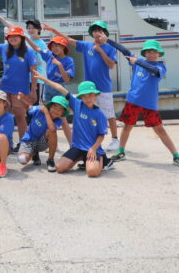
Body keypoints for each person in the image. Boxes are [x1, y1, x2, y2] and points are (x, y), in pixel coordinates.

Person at [108, 39, 179, 168]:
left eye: (154, 52)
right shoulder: (137, 62)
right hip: (133, 100)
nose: (152, 54)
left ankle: (176, 156)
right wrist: (107, 40)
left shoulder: (160, 66)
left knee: (159, 130)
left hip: (149, 103)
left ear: (159, 54)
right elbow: (124, 50)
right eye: (148, 52)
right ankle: (121, 152)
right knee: (127, 127)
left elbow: (154, 71)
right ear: (144, 53)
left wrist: (138, 61)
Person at [46, 21, 121, 152]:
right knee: (85, 114)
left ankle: (115, 140)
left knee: (109, 114)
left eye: (100, 30)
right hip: (87, 89)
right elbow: (68, 40)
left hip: (103, 87)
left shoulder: (110, 48)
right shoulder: (87, 45)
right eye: (95, 30)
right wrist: (53, 30)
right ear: (92, 33)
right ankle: (88, 140)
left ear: (105, 33)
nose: (97, 32)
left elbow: (111, 65)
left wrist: (101, 51)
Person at [37, 75, 115, 178]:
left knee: (92, 172)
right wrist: (44, 79)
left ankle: (104, 160)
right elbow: (61, 88)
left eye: (91, 95)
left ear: (95, 95)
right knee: (60, 168)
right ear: (81, 97)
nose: (88, 99)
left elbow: (101, 135)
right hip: (77, 147)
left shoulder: (100, 114)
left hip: (92, 148)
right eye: (84, 96)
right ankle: (83, 160)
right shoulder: (76, 104)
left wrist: (93, 149)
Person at [25, 35, 75, 144]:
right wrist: (27, 38)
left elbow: (66, 79)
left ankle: (72, 144)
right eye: (53, 45)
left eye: (58, 45)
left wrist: (60, 65)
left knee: (62, 119)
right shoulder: (49, 55)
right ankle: (51, 143)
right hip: (48, 87)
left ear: (64, 47)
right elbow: (37, 48)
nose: (55, 48)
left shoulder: (68, 60)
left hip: (60, 88)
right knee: (46, 115)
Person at [0, 26, 38, 145]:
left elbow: (34, 72)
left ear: (22, 37)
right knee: (4, 116)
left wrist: (33, 90)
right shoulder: (4, 48)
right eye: (10, 37)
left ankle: (24, 143)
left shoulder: (29, 52)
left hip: (21, 90)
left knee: (20, 117)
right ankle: (6, 142)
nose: (13, 38)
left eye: (15, 36)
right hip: (5, 88)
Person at [16, 96, 69, 173]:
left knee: (51, 131)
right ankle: (34, 154)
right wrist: (21, 99)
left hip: (42, 143)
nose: (56, 110)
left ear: (63, 113)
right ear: (50, 106)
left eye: (60, 109)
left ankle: (50, 160)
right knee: (22, 159)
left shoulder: (58, 121)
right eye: (55, 107)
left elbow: (52, 129)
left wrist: (46, 112)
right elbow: (28, 107)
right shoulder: (39, 109)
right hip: (28, 140)